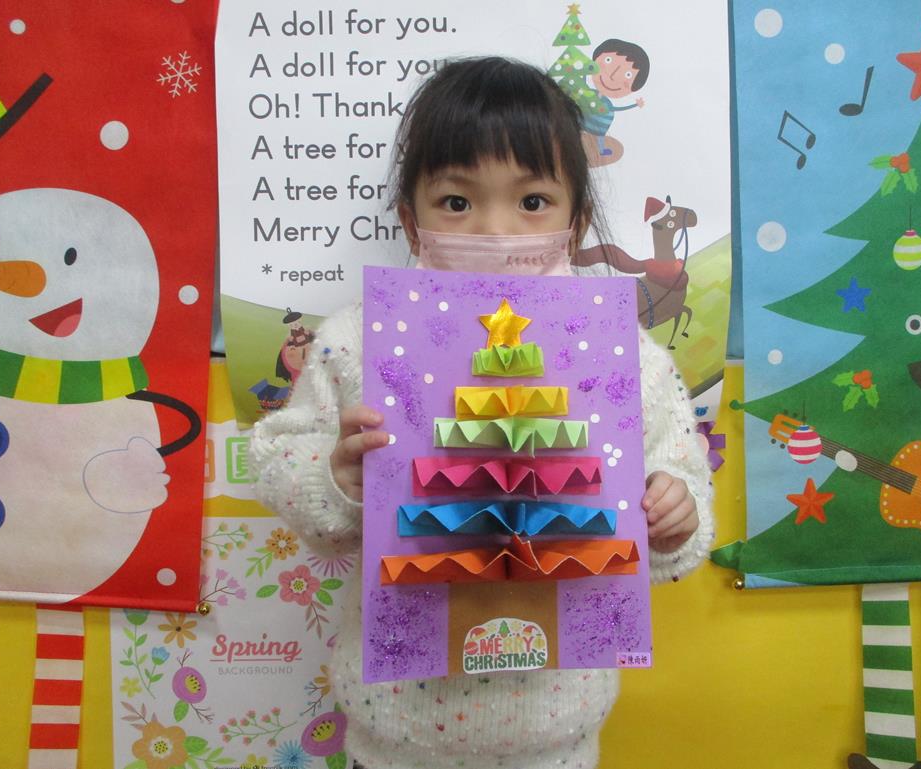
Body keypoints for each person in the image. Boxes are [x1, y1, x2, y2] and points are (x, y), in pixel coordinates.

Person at [250, 57, 714, 769]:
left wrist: (672, 516)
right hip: (394, 736)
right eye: (457, 202)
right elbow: (281, 457)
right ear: (411, 221)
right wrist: (337, 478)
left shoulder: (618, 353)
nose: (496, 232)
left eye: (532, 201)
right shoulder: (360, 340)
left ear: (575, 222)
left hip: (558, 736)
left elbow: (680, 484)